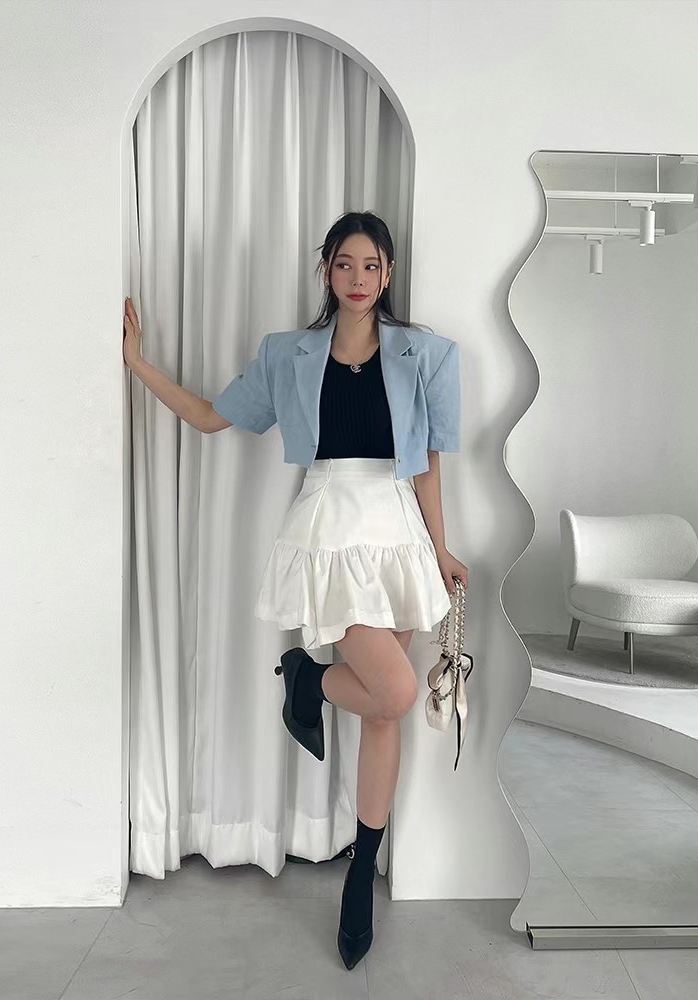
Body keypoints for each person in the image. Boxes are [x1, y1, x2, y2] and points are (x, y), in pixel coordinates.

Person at [122, 210, 468, 971]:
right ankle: (306, 678)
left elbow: (430, 462)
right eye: (345, 264)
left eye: (371, 265)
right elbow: (212, 418)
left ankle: (359, 869)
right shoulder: (289, 353)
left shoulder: (428, 353)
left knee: (384, 711)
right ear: (326, 270)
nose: (358, 279)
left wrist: (441, 548)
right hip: (329, 528)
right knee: (396, 690)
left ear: (388, 273)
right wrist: (140, 366)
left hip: (398, 532)